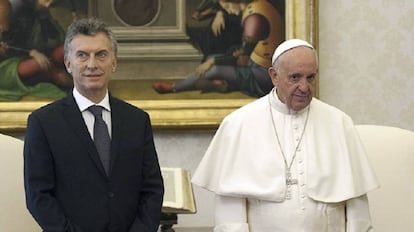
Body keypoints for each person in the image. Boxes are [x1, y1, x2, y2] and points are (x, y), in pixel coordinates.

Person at [191, 39, 379, 231]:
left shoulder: (338, 122)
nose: (304, 87)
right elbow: (230, 208)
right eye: (295, 77)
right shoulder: (239, 123)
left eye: (310, 77)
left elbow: (357, 206)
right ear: (274, 76)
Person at [24, 17, 164, 232]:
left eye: (101, 55)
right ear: (69, 64)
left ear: (114, 63)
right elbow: (38, 196)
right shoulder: (43, 123)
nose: (92, 64)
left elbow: (152, 189)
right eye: (82, 55)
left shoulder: (137, 120)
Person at [152, 0, 284, 98]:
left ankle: (174, 88)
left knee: (215, 68)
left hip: (264, 75)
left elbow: (242, 60)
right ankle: (222, 85)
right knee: (213, 61)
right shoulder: (256, 7)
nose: (225, 9)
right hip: (255, 64)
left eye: (225, 5)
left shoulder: (254, 19)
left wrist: (213, 62)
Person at [0, 0, 72, 101]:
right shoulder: (18, 10)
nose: (48, 5)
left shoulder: (39, 12)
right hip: (9, 65)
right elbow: (12, 43)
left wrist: (44, 17)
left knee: (66, 51)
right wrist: (31, 52)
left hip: (39, 54)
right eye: (46, 1)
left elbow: (54, 40)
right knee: (37, 65)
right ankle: (55, 76)